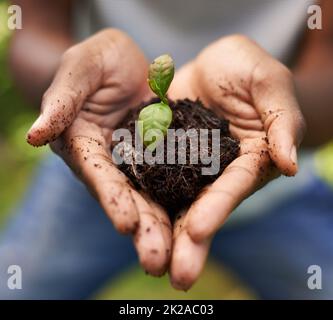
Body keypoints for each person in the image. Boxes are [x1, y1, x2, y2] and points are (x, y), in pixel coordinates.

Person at [0, 0, 333, 299]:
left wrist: (281, 107)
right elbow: (34, 30)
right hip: (96, 162)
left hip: (277, 188)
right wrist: (69, 85)